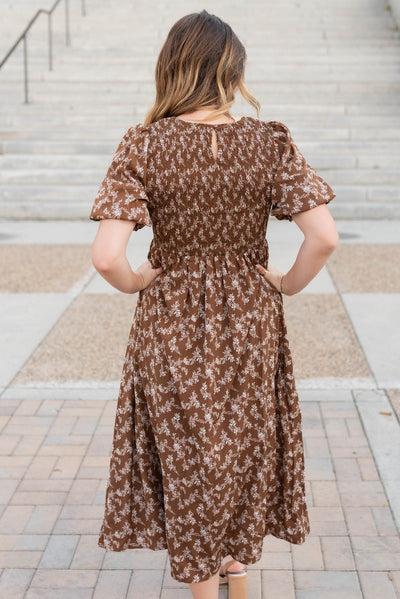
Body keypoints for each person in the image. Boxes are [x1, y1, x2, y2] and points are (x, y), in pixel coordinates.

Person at [89, 9, 338, 599]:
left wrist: (134, 281)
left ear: (171, 68)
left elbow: (106, 256)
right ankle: (236, 574)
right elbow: (324, 237)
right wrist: (286, 284)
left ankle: (209, 583)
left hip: (171, 317)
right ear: (232, 71)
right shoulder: (267, 141)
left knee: (189, 455)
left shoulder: (144, 144)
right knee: (237, 446)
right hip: (251, 316)